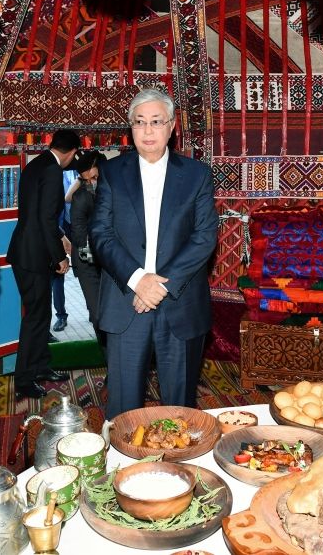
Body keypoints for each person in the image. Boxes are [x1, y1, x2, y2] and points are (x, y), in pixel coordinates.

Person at [90, 89, 218, 419]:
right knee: (123, 411)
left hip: (180, 303)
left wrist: (158, 286)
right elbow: (101, 234)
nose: (148, 131)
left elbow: (204, 237)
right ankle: (125, 467)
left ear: (172, 127)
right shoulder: (112, 173)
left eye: (156, 122)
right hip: (126, 303)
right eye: (140, 122)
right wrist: (137, 280)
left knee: (180, 411)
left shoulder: (196, 175)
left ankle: (181, 469)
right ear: (130, 127)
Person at [9, 129, 80, 399]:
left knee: (42, 315)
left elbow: (36, 213)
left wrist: (60, 237)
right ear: (72, 152)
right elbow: (47, 219)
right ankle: (25, 380)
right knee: (35, 319)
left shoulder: (36, 163)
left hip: (26, 250)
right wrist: (60, 258)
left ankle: (40, 366)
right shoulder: (52, 170)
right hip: (34, 254)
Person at [69, 150, 107, 345]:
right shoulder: (81, 197)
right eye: (86, 180)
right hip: (88, 264)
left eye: (95, 177)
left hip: (112, 263)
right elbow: (78, 231)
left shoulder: (117, 192)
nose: (92, 183)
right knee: (98, 315)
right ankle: (112, 368)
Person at [51, 166, 78, 335]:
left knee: (84, 270)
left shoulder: (81, 171)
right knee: (57, 274)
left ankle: (93, 310)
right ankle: (61, 315)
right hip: (59, 228)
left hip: (77, 227)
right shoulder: (53, 173)